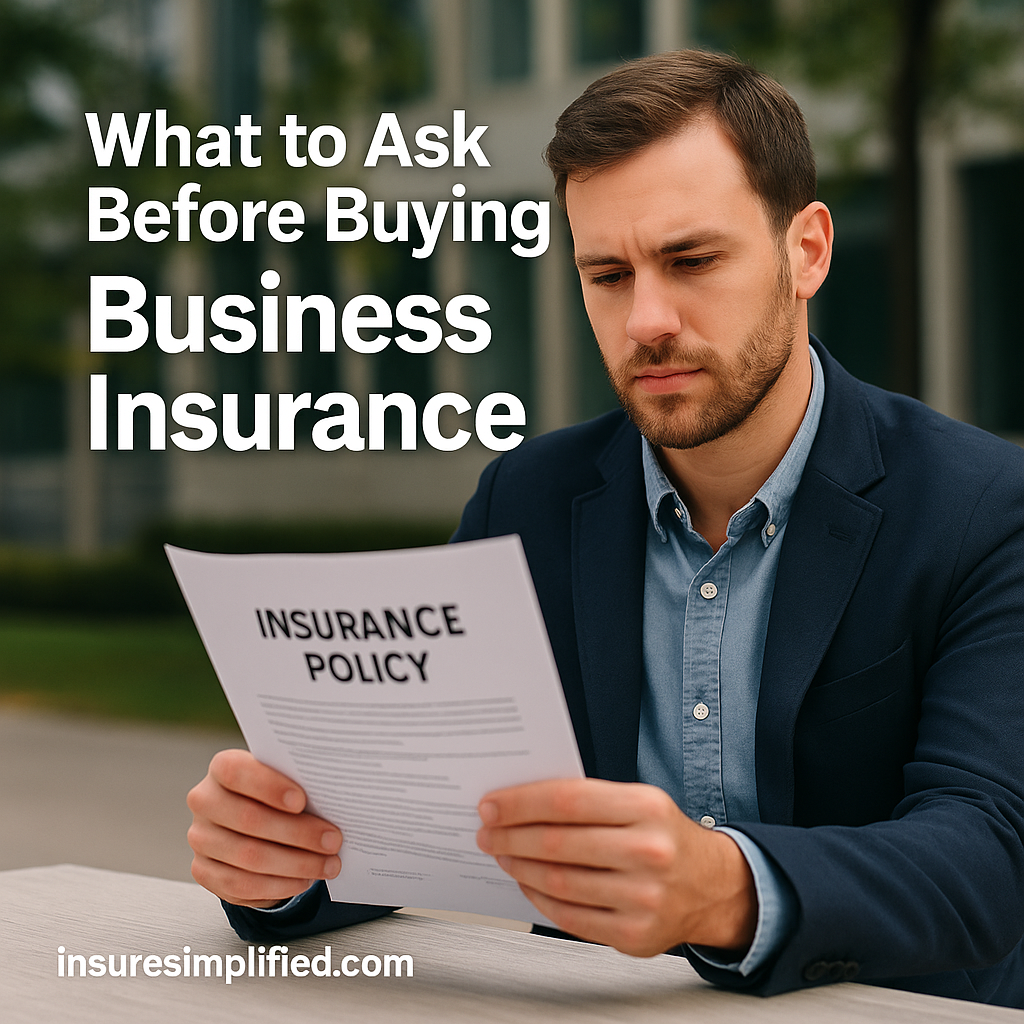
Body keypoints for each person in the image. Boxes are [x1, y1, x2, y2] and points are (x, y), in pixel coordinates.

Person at [185, 50, 1024, 1006]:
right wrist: (287, 863)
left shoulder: (985, 507)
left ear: (808, 251)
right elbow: (422, 827)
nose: (646, 321)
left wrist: (727, 890)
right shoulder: (525, 500)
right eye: (608, 274)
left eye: (691, 260)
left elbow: (990, 854)